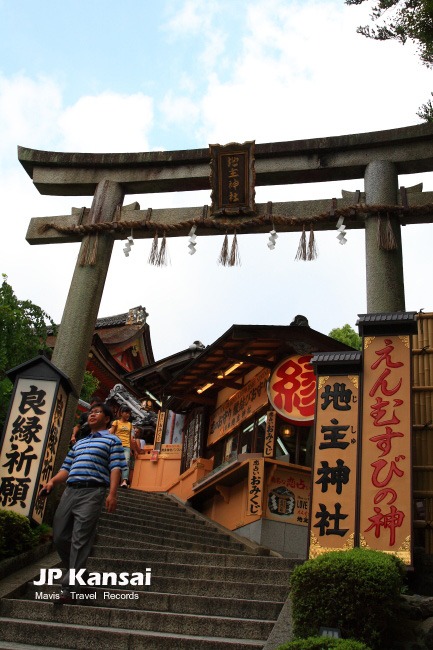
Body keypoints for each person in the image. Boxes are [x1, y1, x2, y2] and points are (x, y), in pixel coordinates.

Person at [39, 402, 127, 604]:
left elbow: (115, 468)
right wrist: (52, 481)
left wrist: (112, 494)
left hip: (93, 491)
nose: (92, 414)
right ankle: (80, 572)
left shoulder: (112, 441)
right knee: (60, 536)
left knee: (80, 539)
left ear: (107, 419)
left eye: (97, 412)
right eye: (91, 412)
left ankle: (68, 590)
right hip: (70, 490)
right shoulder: (79, 443)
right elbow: (66, 468)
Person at [109, 406, 133, 488]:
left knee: (126, 462)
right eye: (126, 413)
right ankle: (113, 481)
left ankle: (124, 481)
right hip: (117, 445)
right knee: (115, 463)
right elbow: (111, 432)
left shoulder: (130, 425)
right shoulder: (116, 422)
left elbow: (130, 437)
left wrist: (131, 449)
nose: (128, 415)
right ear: (122, 413)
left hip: (127, 446)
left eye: (129, 414)